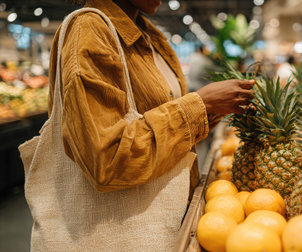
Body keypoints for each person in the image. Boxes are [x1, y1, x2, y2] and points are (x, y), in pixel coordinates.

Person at [19, 0, 254, 250]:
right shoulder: (89, 29)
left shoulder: (147, 34)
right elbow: (106, 157)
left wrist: (209, 111)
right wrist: (201, 105)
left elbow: (158, 129)